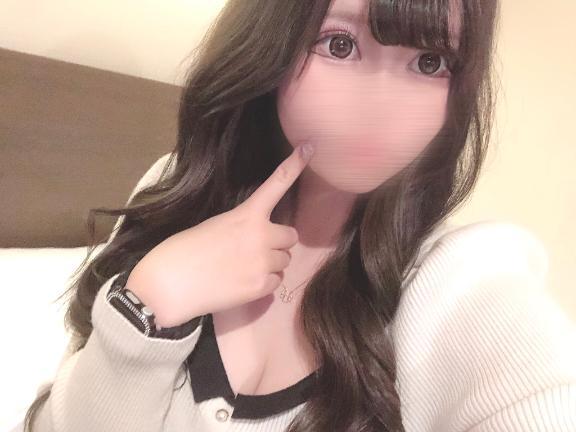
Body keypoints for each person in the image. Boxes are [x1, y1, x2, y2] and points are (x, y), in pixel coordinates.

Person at [23, 0, 576, 431]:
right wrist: (148, 304)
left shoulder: (457, 275)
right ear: (270, 45)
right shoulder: (174, 189)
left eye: (429, 62)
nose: (383, 107)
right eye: (340, 44)